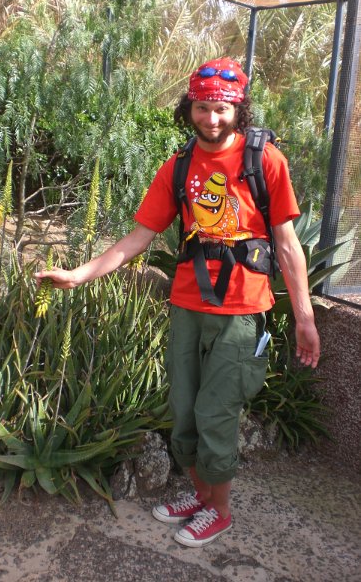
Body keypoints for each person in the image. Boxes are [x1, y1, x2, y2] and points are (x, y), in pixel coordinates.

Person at [35, 57, 320, 548]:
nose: (211, 118)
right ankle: (202, 495)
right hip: (187, 304)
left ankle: (220, 511)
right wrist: (78, 275)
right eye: (202, 108)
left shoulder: (265, 160)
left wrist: (304, 318)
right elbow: (139, 236)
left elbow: (288, 244)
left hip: (241, 309)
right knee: (184, 410)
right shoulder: (179, 165)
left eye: (222, 109)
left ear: (239, 110)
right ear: (189, 108)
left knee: (216, 413)